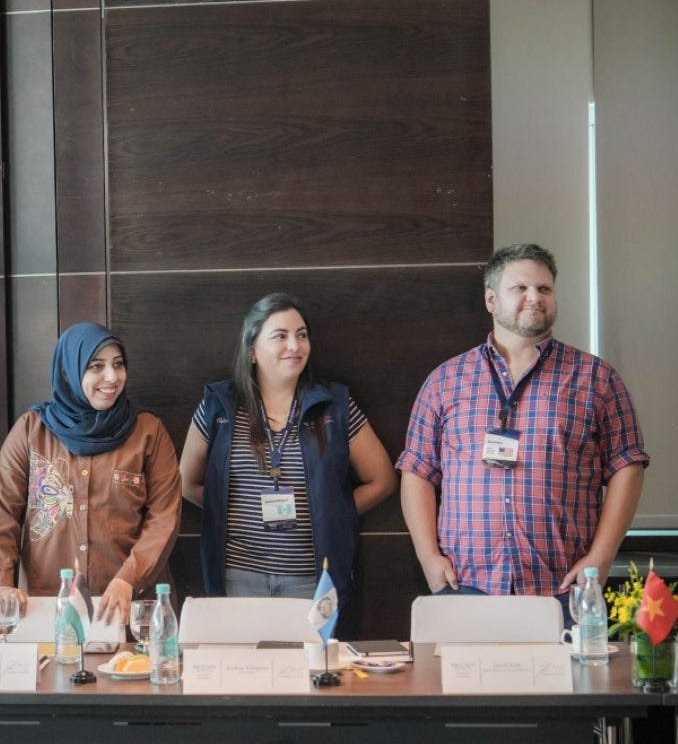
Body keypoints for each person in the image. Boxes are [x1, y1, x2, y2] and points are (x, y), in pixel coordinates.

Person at [397, 243, 648, 621]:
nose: (535, 297)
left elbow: (627, 466)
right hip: (465, 585)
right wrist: (428, 558)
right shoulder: (445, 380)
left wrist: (601, 557)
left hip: (563, 587)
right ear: (491, 299)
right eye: (521, 289)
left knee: (564, 683)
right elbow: (418, 470)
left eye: (544, 289)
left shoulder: (596, 378)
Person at [179, 293, 396, 621]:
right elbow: (186, 482)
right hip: (238, 576)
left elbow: (382, 480)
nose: (295, 346)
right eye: (280, 336)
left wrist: (330, 513)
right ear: (252, 350)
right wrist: (234, 509)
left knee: (308, 670)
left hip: (311, 579)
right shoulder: (218, 406)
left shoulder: (334, 406)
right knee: (243, 669)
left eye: (302, 334)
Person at [0, 322, 181, 626]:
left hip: (131, 610)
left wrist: (129, 579)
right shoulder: (32, 431)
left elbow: (164, 519)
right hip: (47, 607)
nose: (112, 377)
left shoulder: (148, 432)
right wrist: (2, 583)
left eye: (118, 364)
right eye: (96, 366)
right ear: (69, 370)